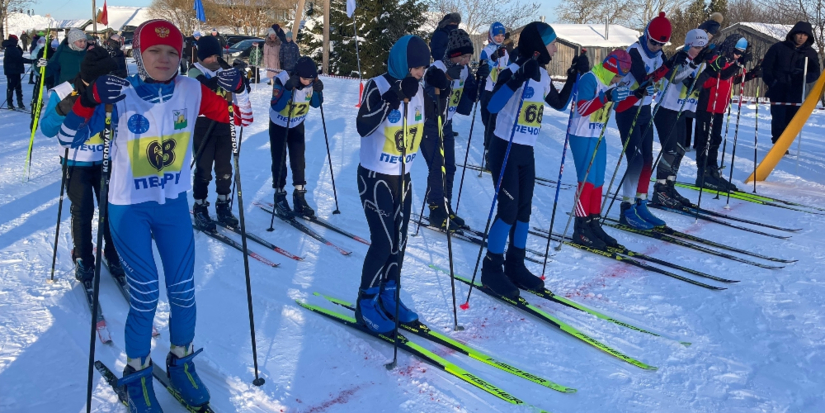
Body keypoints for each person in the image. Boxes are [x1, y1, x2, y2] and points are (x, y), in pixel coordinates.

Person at [57, 19, 245, 411]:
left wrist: (236, 87)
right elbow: (64, 138)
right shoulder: (119, 93)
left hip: (173, 205)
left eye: (172, 52)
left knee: (183, 290)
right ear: (139, 55)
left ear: (182, 57)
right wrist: (89, 98)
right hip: (129, 207)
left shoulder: (191, 89)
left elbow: (228, 114)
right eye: (154, 51)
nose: (164, 59)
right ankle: (136, 371)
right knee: (145, 294)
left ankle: (180, 360)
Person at [481, 22, 586, 299]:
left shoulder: (541, 74)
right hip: (504, 148)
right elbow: (492, 106)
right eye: (551, 43)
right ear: (539, 47)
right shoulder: (514, 69)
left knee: (523, 213)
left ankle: (515, 265)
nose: (555, 47)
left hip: (526, 151)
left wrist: (575, 74)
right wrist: (516, 79)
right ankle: (491, 270)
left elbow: (561, 103)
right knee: (507, 212)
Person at [353, 34, 429, 332]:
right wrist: (393, 97)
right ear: (402, 64)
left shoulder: (420, 90)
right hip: (375, 177)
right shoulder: (378, 85)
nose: (420, 73)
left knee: (399, 242)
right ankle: (366, 303)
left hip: (403, 178)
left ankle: (389, 295)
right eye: (416, 68)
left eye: (423, 68)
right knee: (383, 242)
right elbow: (363, 125)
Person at [39, 48, 125, 282]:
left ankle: (114, 254)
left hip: (106, 160)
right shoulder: (63, 91)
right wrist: (62, 109)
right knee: (83, 210)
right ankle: (84, 259)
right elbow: (46, 129)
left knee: (111, 209)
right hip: (76, 161)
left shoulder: (113, 91)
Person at [568, 50, 638, 249]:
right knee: (587, 182)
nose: (618, 80)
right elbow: (582, 109)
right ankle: (580, 228)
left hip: (598, 135)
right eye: (617, 76)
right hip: (581, 135)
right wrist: (606, 97)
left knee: (598, 181)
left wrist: (637, 95)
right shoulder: (590, 79)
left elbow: (619, 107)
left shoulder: (610, 83)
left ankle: (593, 223)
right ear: (609, 68)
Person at [614, 12, 672, 230]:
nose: (656, 47)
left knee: (648, 159)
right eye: (653, 42)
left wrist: (681, 61)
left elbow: (672, 76)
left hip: (645, 109)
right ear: (646, 34)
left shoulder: (659, 54)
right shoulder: (633, 51)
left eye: (661, 44)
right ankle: (626, 208)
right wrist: (666, 67)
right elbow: (643, 79)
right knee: (635, 160)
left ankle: (641, 202)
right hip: (628, 109)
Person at [188, 35, 253, 231]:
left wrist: (240, 80)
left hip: (225, 124)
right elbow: (203, 88)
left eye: (217, 55)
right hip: (202, 126)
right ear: (202, 57)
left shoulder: (223, 68)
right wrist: (224, 78)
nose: (215, 59)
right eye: (210, 56)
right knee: (203, 169)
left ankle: (223, 205)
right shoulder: (194, 71)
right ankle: (200, 206)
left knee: (225, 169)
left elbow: (244, 90)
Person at [421, 28, 478, 230]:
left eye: (469, 57)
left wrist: (479, 82)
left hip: (446, 124)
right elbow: (430, 99)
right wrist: (445, 79)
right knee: (438, 168)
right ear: (453, 54)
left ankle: (446, 206)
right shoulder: (436, 67)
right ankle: (436, 210)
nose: (466, 61)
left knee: (450, 168)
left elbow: (471, 97)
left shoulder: (464, 70)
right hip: (429, 125)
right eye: (463, 56)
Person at [650, 29, 713, 208]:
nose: (700, 51)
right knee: (669, 151)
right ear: (688, 45)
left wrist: (710, 68)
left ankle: (669, 186)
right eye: (697, 47)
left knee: (680, 150)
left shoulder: (701, 61)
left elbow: (698, 85)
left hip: (682, 111)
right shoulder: (679, 58)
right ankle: (659, 190)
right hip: (665, 110)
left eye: (703, 47)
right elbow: (675, 78)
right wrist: (695, 65)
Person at [693, 35, 761, 191]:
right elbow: (718, 76)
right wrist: (737, 64)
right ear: (730, 47)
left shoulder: (731, 63)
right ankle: (702, 173)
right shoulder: (715, 58)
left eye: (741, 54)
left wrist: (752, 74)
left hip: (719, 108)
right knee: (706, 141)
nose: (738, 55)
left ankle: (712, 171)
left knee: (715, 140)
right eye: (737, 51)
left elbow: (731, 79)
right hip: (707, 106)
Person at [268, 56, 323, 218]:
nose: (308, 82)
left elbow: (316, 104)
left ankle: (299, 196)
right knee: (279, 160)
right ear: (297, 74)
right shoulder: (282, 79)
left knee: (298, 160)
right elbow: (276, 106)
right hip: (279, 124)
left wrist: (318, 91)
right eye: (305, 79)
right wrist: (287, 89)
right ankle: (279, 195)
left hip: (297, 124)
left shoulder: (312, 81)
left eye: (311, 79)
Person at [762, 21, 821, 147]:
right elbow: (766, 68)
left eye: (805, 35)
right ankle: (778, 144)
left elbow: (815, 72)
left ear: (809, 37)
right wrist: (772, 82)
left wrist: (803, 77)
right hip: (778, 91)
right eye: (799, 34)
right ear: (793, 33)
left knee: (791, 121)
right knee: (778, 120)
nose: (801, 37)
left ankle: (785, 143)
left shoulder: (810, 53)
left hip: (797, 92)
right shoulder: (778, 48)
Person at [686, 12, 724, 150]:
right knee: (691, 112)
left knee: (697, 113)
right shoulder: (704, 32)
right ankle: (689, 142)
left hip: (705, 76)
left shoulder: (713, 40)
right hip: (699, 72)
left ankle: (695, 142)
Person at [477, 22, 509, 166]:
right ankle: (489, 154)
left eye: (502, 35)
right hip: (488, 91)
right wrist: (493, 59)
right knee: (489, 123)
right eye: (497, 35)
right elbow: (482, 70)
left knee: (499, 123)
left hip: (499, 90)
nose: (500, 38)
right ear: (491, 35)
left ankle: (498, 154)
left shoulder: (505, 51)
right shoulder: (487, 50)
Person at [3, 35, 34, 110]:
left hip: (16, 70)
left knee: (18, 87)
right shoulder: (11, 48)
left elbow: (19, 55)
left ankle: (20, 102)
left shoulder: (13, 47)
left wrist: (19, 49)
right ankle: (10, 103)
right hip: (11, 71)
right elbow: (19, 58)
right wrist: (31, 61)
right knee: (11, 87)